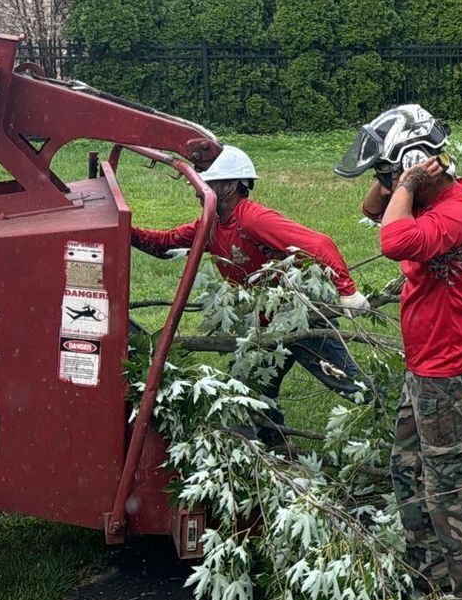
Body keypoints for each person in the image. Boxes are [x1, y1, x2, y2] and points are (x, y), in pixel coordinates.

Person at [337, 104, 462, 600]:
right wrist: (396, 182)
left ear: (413, 164)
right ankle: (429, 585)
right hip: (427, 370)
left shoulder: (455, 213)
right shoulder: (422, 201)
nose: (385, 185)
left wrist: (405, 179)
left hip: (453, 375)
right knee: (407, 471)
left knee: (453, 493)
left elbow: (391, 240)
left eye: (389, 173)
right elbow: (372, 212)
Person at [132, 145, 370, 445]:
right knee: (251, 395)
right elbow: (167, 245)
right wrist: (124, 232)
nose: (198, 190)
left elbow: (320, 244)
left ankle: (398, 418)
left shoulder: (253, 220)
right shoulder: (213, 224)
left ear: (230, 186)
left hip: (297, 321)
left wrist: (348, 292)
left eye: (207, 183)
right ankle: (275, 448)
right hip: (263, 329)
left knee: (350, 384)